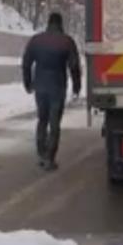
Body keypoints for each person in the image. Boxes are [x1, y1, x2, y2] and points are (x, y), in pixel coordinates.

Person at [22, 12, 82, 171]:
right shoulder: (66, 41)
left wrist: (28, 83)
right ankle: (50, 158)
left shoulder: (36, 40)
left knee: (42, 120)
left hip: (40, 86)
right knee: (54, 123)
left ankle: (41, 154)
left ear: (48, 23)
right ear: (60, 24)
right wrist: (77, 87)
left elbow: (26, 63)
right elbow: (74, 66)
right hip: (57, 86)